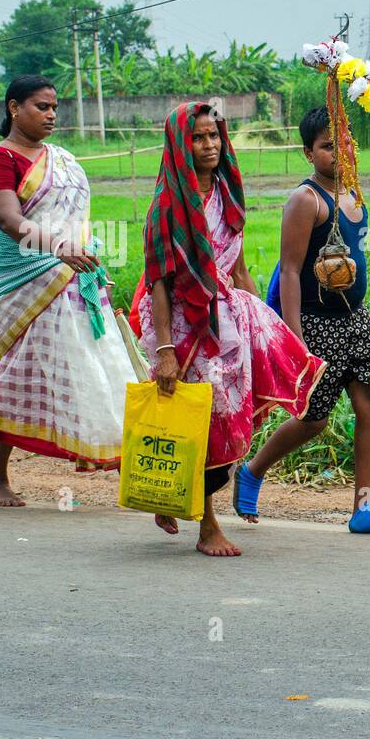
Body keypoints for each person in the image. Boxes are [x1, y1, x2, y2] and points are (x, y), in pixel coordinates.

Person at [137, 102, 326, 557]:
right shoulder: (167, 205)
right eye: (198, 138)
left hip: (227, 318)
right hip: (181, 322)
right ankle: (207, 526)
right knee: (203, 419)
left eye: (215, 136)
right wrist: (165, 350)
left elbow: (237, 266)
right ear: (180, 145)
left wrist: (261, 321)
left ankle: (173, 493)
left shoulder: (226, 193)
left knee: (229, 416)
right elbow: (159, 282)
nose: (209, 146)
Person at [231, 106, 370, 535]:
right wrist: (294, 338)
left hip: (354, 320)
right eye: (329, 146)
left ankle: (364, 508)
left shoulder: (354, 194)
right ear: (308, 152)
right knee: (314, 419)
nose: (341, 152)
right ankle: (252, 470)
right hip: (314, 322)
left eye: (347, 143)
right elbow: (290, 270)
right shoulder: (305, 200)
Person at [0, 74, 135, 507]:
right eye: (41, 106)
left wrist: (86, 261)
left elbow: (76, 222)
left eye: (54, 107)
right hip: (19, 279)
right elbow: (10, 222)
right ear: (13, 108)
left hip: (70, 275)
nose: (50, 115)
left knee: (93, 364)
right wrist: (59, 248)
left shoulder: (62, 159)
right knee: (12, 373)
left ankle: (127, 466)